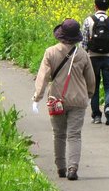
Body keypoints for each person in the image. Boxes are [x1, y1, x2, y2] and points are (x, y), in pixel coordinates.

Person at [32, 18, 95, 181]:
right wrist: (88, 94)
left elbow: (43, 77)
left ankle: (61, 167)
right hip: (78, 100)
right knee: (74, 135)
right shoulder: (82, 54)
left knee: (59, 134)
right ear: (76, 37)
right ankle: (73, 168)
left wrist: (37, 97)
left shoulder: (50, 52)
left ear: (61, 35)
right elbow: (91, 80)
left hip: (56, 100)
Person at [82, 0, 109, 126]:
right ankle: (108, 107)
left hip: (92, 58)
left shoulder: (88, 20)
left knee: (93, 87)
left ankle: (96, 116)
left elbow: (83, 43)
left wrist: (83, 58)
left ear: (95, 6)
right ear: (108, 7)